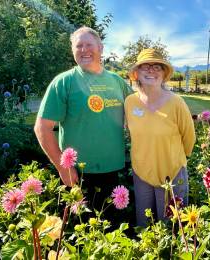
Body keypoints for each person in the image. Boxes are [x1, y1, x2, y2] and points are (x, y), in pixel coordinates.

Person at [34, 26, 132, 210]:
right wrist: (63, 168)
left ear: (100, 48)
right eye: (78, 46)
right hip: (78, 174)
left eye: (89, 45)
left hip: (112, 170)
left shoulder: (117, 81)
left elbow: (138, 112)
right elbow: (42, 128)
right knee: (82, 233)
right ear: (72, 51)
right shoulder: (64, 82)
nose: (84, 50)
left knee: (110, 232)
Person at [125, 48, 196, 226]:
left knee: (173, 225)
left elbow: (189, 138)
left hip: (172, 172)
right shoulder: (129, 102)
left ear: (164, 74)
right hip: (141, 172)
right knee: (144, 224)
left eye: (157, 67)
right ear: (136, 73)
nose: (151, 70)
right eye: (145, 67)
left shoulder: (176, 102)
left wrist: (176, 161)